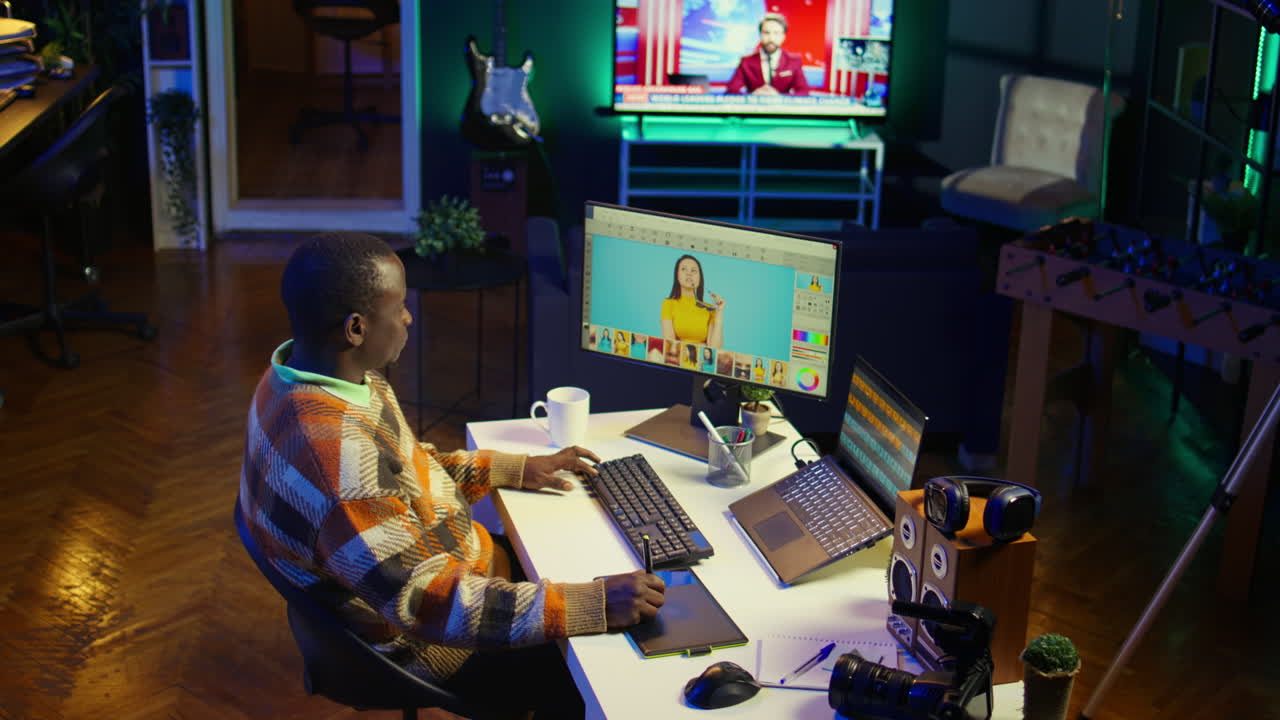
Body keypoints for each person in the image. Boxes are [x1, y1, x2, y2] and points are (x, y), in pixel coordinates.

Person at [238, 232, 665, 719]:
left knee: (586, 554)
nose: (408, 318)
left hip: (443, 566)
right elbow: (428, 602)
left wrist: (516, 467)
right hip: (428, 639)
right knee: (601, 672)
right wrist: (592, 604)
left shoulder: (307, 375)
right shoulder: (337, 463)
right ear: (355, 328)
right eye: (398, 307)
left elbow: (404, 466)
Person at [726, 13, 811, 96]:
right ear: (760, 35)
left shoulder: (793, 61)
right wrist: (753, 96)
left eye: (776, 33)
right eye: (766, 33)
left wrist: (779, 97)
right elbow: (731, 91)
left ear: (783, 36)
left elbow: (803, 92)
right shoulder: (746, 62)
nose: (771, 38)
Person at [661, 254, 724, 348]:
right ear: (677, 276)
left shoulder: (710, 309)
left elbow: (714, 350)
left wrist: (719, 313)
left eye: (693, 270)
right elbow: (670, 346)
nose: (689, 273)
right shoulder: (668, 304)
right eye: (684, 269)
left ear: (699, 278)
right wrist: (701, 345)